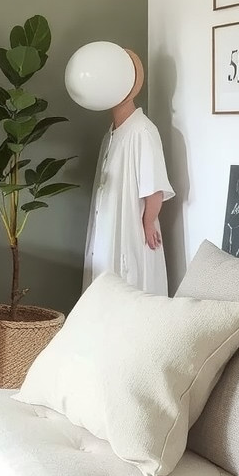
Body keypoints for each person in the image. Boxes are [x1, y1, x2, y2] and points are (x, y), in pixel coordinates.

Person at [65, 44, 174, 295]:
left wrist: (147, 223)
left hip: (131, 229)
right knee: (104, 284)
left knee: (129, 285)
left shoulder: (143, 131)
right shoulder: (113, 134)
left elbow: (154, 189)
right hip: (109, 225)